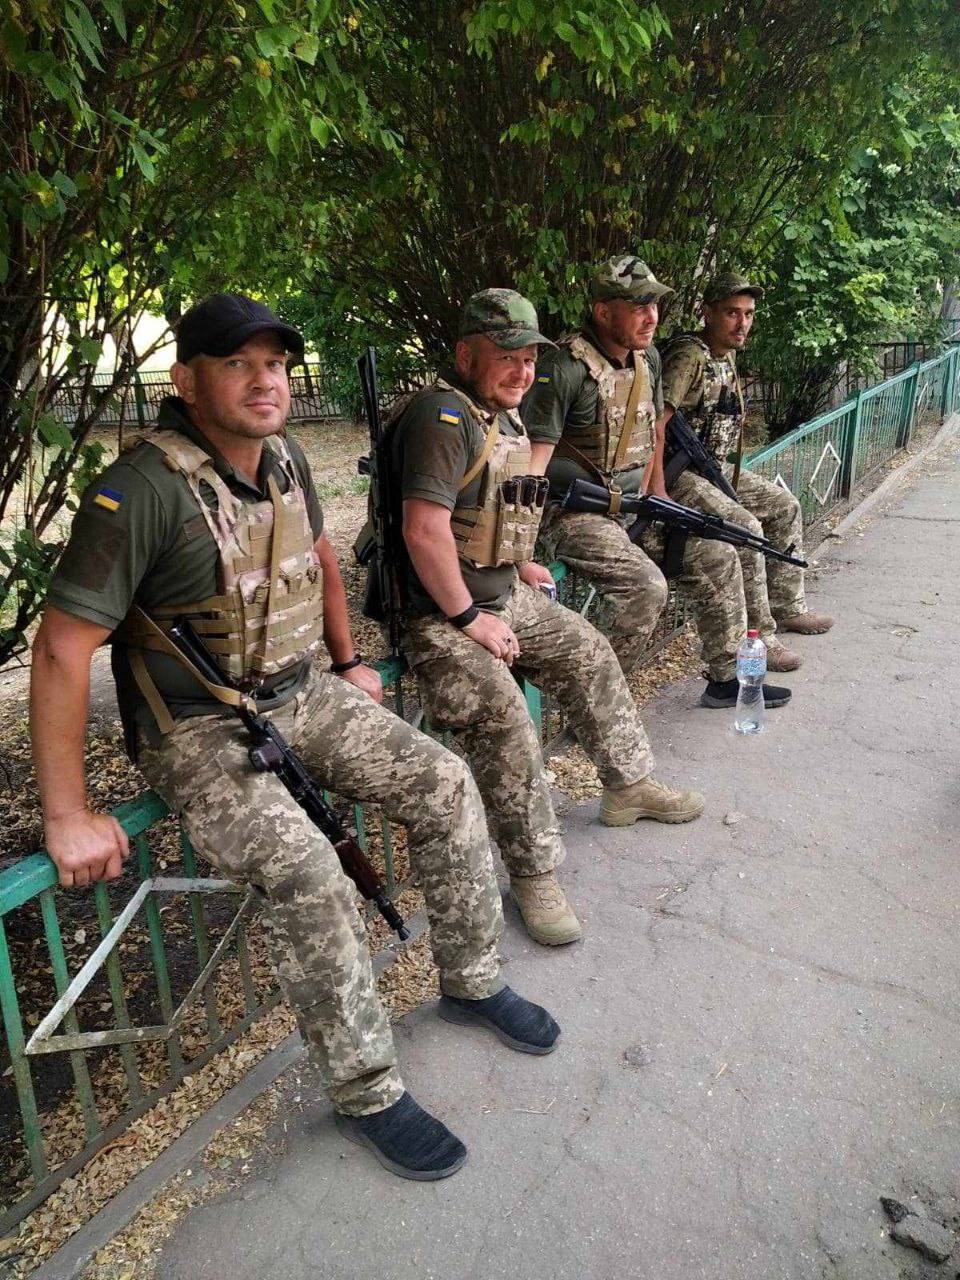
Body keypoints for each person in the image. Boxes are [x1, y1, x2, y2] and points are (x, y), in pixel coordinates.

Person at [29, 293, 561, 1183]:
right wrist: (67, 814)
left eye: (274, 363)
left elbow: (314, 560)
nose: (264, 380)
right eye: (237, 364)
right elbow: (60, 648)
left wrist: (349, 661)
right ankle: (367, 1089)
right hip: (198, 727)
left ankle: (472, 980)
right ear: (186, 380)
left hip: (301, 689)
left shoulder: (283, 457)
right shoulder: (141, 491)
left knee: (444, 782)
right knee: (311, 869)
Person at [385, 287, 704, 951]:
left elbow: (496, 507)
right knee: (504, 715)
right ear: (466, 354)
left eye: (530, 358)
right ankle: (534, 873)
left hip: (499, 592)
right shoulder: (443, 418)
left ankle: (627, 784)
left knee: (589, 653)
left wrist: (522, 560)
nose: (523, 370)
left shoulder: (498, 415)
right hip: (440, 614)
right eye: (508, 356)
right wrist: (468, 617)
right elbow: (423, 531)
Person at [521, 256, 792, 711]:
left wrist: (658, 498)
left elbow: (653, 434)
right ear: (603, 311)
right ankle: (598, 703)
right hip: (574, 511)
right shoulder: (564, 368)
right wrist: (521, 556)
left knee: (720, 553)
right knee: (646, 587)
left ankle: (726, 679)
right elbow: (532, 465)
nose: (652, 317)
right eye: (639, 307)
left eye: (655, 306)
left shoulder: (647, 358)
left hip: (633, 503)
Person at [658, 272, 834, 671]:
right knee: (746, 529)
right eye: (732, 313)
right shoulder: (689, 357)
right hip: (678, 474)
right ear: (707, 314)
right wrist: (657, 490)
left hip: (712, 468)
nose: (742, 323)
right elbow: (656, 425)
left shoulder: (726, 356)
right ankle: (760, 639)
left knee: (784, 506)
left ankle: (789, 606)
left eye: (749, 314)